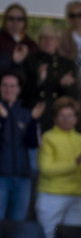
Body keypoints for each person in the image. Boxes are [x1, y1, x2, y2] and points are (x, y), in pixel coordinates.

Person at [34, 97, 81, 238]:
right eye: (62, 116)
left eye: (70, 116)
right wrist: (75, 164)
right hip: (52, 195)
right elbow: (46, 168)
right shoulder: (48, 137)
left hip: (77, 196)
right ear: (55, 118)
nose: (66, 119)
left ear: (76, 118)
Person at [0, 71, 37, 221]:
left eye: (12, 86)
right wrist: (3, 120)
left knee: (17, 225)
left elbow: (32, 144)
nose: (8, 89)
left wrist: (33, 121)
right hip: (1, 177)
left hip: (22, 178)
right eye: (4, 85)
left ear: (19, 89)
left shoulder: (25, 114)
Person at [24, 24, 78, 123]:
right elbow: (24, 89)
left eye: (51, 38)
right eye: (44, 38)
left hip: (58, 115)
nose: (47, 41)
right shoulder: (30, 60)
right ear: (39, 41)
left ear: (58, 42)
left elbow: (74, 96)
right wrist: (39, 80)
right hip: (34, 112)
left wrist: (64, 85)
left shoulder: (67, 64)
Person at [57, 0, 81, 82]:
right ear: (67, 17)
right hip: (71, 84)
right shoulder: (61, 39)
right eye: (72, 15)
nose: (77, 19)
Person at [0, 4, 36, 74]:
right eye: (11, 19)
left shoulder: (31, 45)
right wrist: (12, 61)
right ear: (5, 22)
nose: (15, 22)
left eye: (20, 19)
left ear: (25, 22)